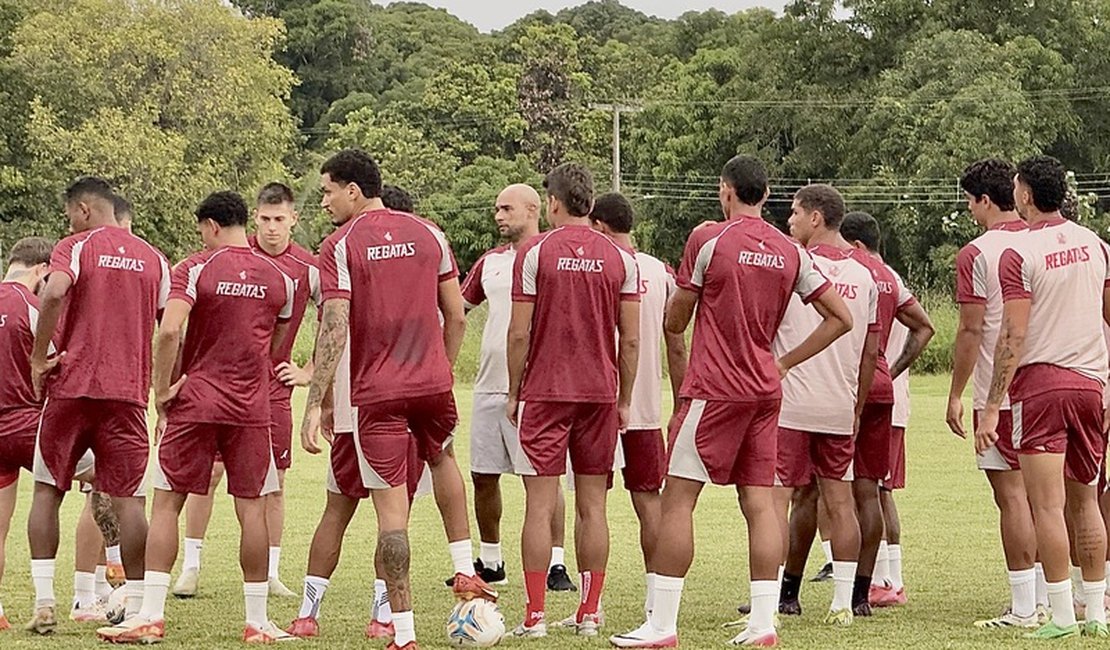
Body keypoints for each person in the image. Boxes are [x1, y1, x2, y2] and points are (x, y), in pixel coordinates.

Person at [611, 157, 853, 648]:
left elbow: (675, 320)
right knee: (760, 504)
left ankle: (662, 624)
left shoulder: (709, 239)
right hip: (765, 389)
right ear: (766, 195)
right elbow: (841, 318)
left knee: (678, 499)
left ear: (726, 190)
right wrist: (783, 362)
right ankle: (763, 623)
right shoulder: (790, 250)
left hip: (714, 389)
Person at [302, 149, 495, 650]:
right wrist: (442, 369)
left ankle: (403, 635)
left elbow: (335, 325)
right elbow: (456, 315)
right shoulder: (430, 233)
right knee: (443, 456)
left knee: (391, 519)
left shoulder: (340, 244)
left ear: (353, 190)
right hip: (433, 386)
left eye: (327, 192)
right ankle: (464, 567)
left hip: (377, 394)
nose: (323, 202)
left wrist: (315, 401)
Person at [96, 190, 296, 643]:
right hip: (251, 408)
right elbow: (276, 338)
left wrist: (162, 389)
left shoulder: (193, 268)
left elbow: (169, 329)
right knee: (253, 509)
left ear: (211, 226)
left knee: (168, 501)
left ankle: (150, 614)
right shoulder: (281, 279)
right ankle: (258, 622)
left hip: (196, 402)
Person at [285, 184, 431, 641]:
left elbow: (332, 332)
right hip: (398, 411)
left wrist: (325, 401)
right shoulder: (417, 272)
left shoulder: (348, 260)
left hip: (354, 409)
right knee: (393, 518)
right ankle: (382, 616)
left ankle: (308, 614)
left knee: (337, 510)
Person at [25, 177, 170, 635]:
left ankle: (45, 602)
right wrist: (163, 385)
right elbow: (172, 327)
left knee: (47, 490)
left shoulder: (75, 246)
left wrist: (38, 357)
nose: (69, 221)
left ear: (84, 209)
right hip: (126, 392)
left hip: (71, 386)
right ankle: (139, 605)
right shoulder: (155, 259)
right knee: (130, 501)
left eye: (71, 213)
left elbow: (53, 292)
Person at [975, 155, 1110, 639]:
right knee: (1087, 500)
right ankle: (1097, 614)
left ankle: (1061, 616)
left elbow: (1013, 332)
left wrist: (992, 405)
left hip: (1041, 387)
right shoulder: (1095, 244)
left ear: (1026, 195)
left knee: (1047, 506)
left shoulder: (1018, 252)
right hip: (1091, 385)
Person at [506, 163, 640, 639]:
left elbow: (518, 333)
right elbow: (631, 340)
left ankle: (535, 616)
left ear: (553, 203)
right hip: (599, 393)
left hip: (545, 392)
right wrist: (624, 399)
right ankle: (589, 612)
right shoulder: (620, 258)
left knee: (540, 506)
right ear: (591, 202)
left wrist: (513, 391)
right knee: (593, 507)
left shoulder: (534, 252)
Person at [173, 182, 320, 600]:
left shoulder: (306, 268)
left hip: (271, 391)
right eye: (265, 219)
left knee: (274, 482)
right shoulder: (233, 255)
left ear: (293, 219)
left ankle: (270, 572)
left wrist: (308, 371)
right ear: (254, 218)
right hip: (219, 387)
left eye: (280, 219)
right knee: (208, 474)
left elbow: (336, 317)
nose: (272, 227)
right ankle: (191, 566)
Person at [457, 182, 576, 592]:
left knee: (542, 478)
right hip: (489, 385)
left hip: (537, 387)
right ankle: (491, 561)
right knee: (482, 475)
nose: (499, 216)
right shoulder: (490, 262)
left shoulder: (550, 255)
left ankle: (556, 563)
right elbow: (457, 309)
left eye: (507, 208)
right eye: (497, 208)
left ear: (533, 209)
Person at [770, 185, 878, 627]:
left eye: (795, 213)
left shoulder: (795, 263)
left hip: (791, 402)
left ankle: (768, 600)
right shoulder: (866, 275)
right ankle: (842, 603)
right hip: (839, 403)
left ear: (816, 217)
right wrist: (857, 405)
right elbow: (870, 352)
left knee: (775, 501)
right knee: (840, 500)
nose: (789, 221)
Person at [945, 159, 1040, 628]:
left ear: (985, 200)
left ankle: (1024, 604)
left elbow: (971, 328)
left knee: (1012, 495)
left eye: (969, 201)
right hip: (1052, 382)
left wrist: (956, 393)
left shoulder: (977, 253)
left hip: (999, 390)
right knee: (1053, 498)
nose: (969, 209)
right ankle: (1060, 594)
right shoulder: (1045, 238)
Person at [587, 192, 687, 618]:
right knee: (650, 501)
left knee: (592, 504)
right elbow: (676, 343)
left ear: (599, 226)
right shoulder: (660, 272)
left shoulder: (597, 266)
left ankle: (591, 606)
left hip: (596, 404)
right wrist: (680, 402)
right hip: (646, 408)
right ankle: (655, 600)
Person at [839, 210, 935, 608]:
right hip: (888, 394)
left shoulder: (859, 275)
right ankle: (882, 576)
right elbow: (924, 327)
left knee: (872, 491)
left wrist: (887, 372)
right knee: (877, 489)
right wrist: (892, 375)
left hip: (869, 392)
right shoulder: (892, 278)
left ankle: (886, 578)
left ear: (856, 245)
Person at [0, 237, 54, 631]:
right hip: (27, 424)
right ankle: (102, 585)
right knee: (108, 472)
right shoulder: (33, 306)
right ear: (41, 269)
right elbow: (55, 361)